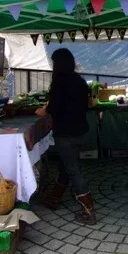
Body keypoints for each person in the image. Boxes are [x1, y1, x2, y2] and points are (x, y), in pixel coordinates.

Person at [35, 48, 95, 224]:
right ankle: (54, 198)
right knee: (67, 164)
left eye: (54, 62)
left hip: (66, 133)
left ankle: (88, 210)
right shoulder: (80, 81)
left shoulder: (59, 82)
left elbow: (54, 108)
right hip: (80, 131)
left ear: (58, 64)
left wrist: (43, 110)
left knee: (74, 170)